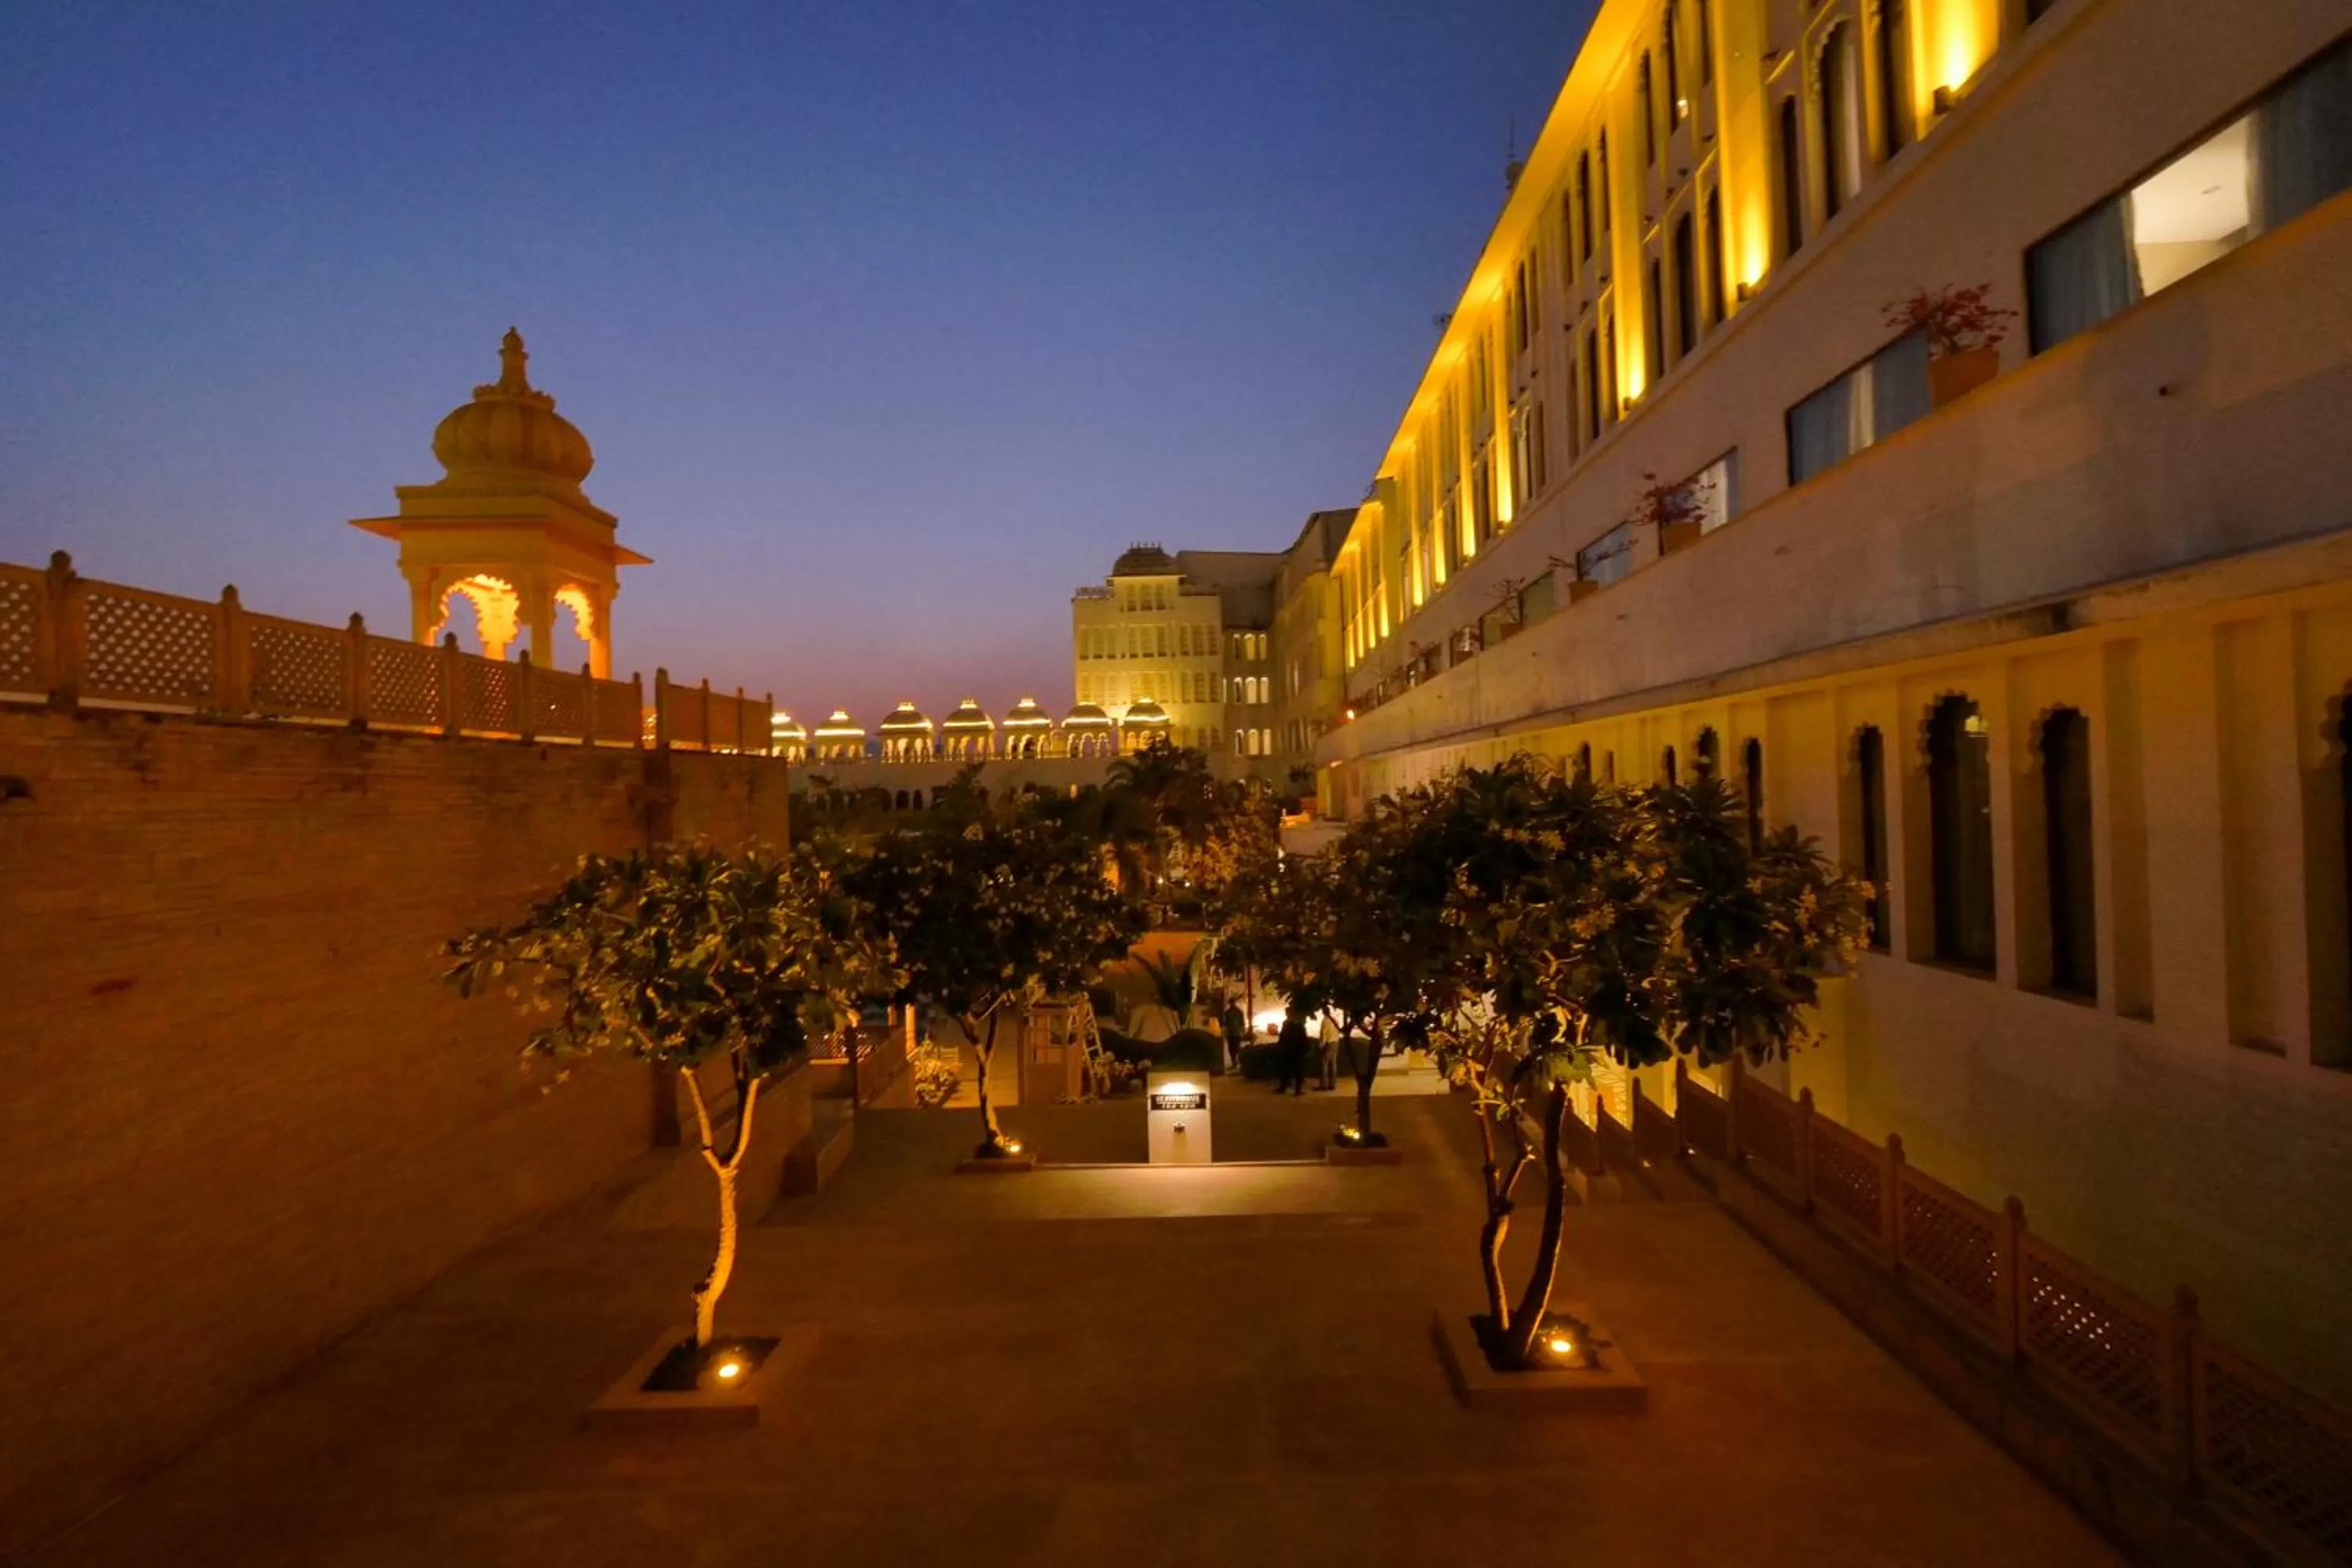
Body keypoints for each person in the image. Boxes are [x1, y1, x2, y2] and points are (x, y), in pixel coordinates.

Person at [1276, 1006, 1311, 1097]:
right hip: (1295, 1052)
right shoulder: (1297, 1025)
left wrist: (1280, 1045)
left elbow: (1282, 1037)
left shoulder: (1287, 1024)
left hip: (1290, 1051)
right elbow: (1304, 1038)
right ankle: (1296, 1090)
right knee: (1297, 1071)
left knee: (1287, 1070)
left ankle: (1284, 1088)